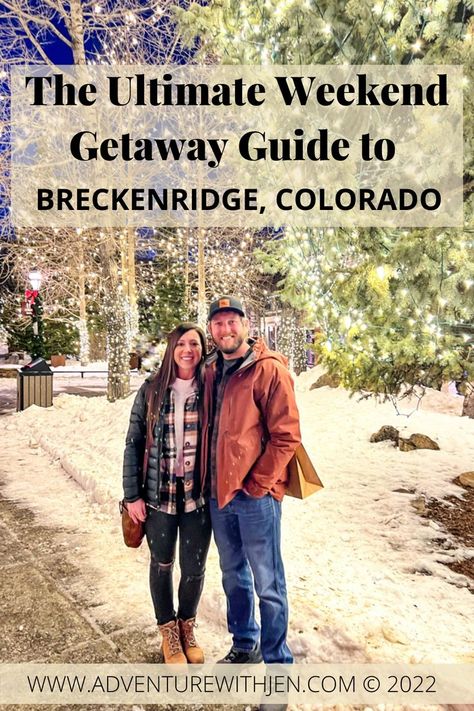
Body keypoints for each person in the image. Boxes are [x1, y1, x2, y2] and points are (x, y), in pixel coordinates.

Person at [202, 296, 301, 673]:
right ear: (211, 329)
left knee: (268, 584)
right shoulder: (210, 369)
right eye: (218, 323)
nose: (225, 329)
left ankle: (279, 666)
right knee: (233, 575)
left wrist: (259, 484)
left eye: (232, 321)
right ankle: (245, 644)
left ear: (246, 325)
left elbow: (286, 436)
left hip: (255, 498)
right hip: (218, 494)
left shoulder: (268, 370)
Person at [122, 323, 212, 664]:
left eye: (195, 343)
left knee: (194, 568)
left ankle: (186, 627)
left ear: (203, 349)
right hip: (158, 495)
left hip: (197, 496)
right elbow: (134, 443)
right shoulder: (151, 390)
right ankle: (168, 633)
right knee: (162, 564)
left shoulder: (210, 389)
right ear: (171, 349)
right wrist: (133, 496)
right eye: (181, 344)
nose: (188, 349)